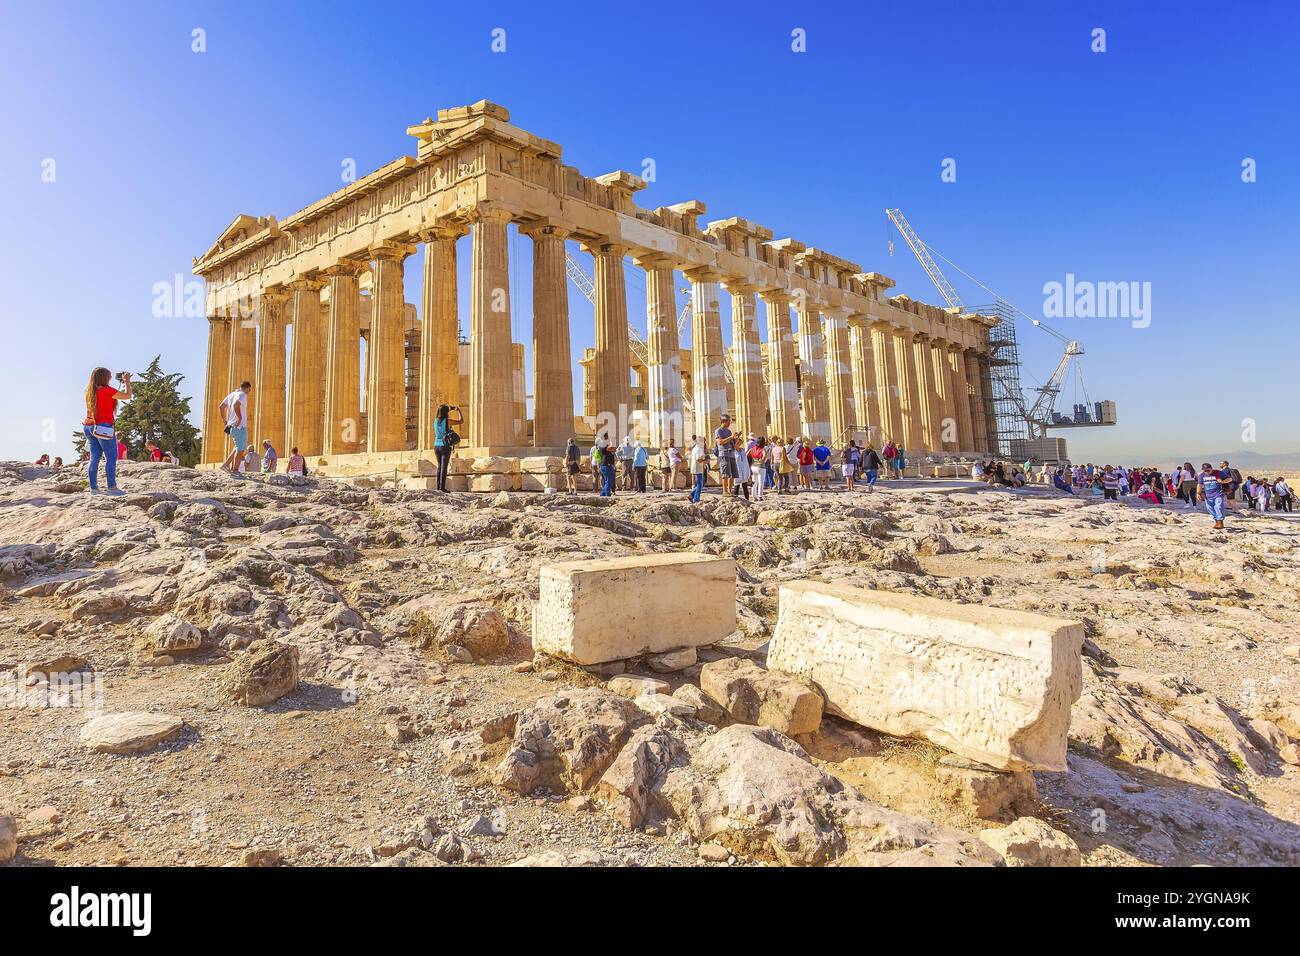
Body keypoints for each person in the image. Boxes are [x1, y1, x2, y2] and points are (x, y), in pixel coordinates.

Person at [83, 367, 132, 496]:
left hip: (88, 426)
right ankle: (112, 487)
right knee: (111, 457)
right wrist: (126, 381)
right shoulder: (107, 391)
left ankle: (93, 488)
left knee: (94, 458)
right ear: (104, 377)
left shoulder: (89, 391)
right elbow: (128, 396)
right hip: (103, 427)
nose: (110, 378)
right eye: (109, 376)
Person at [219, 381, 253, 472]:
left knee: (237, 447)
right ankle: (235, 470)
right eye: (249, 390)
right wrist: (239, 418)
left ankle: (225, 465)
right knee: (240, 449)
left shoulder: (231, 395)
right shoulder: (242, 395)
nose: (249, 392)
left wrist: (225, 420)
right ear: (248, 388)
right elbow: (236, 404)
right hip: (239, 426)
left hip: (231, 427)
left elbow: (221, 406)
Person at [433, 404, 463, 493]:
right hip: (445, 446)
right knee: (444, 467)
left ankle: (438, 487)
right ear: (446, 412)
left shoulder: (435, 421)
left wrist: (450, 408)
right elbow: (461, 421)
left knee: (439, 466)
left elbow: (442, 410)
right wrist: (458, 411)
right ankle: (442, 488)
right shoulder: (447, 421)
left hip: (436, 445)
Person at [714, 415, 738, 496]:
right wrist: (731, 437)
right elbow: (720, 442)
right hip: (724, 453)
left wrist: (735, 439)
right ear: (724, 421)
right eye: (729, 421)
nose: (730, 423)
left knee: (733, 474)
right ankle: (724, 491)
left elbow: (732, 444)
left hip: (731, 453)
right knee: (725, 473)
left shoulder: (729, 431)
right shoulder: (718, 431)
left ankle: (730, 491)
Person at [1197, 462, 1227, 529]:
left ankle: (1220, 522)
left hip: (1218, 494)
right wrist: (1198, 493)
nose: (1207, 472)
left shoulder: (1218, 473)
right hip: (1208, 495)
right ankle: (1217, 521)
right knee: (1210, 509)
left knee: (1218, 507)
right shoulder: (1201, 475)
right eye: (1205, 470)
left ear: (1211, 468)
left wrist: (1222, 482)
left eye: (1208, 470)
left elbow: (1229, 479)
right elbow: (1199, 484)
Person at [688, 436, 708, 503]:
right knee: (700, 484)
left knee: (700, 484)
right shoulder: (699, 449)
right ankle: (696, 499)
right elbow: (698, 459)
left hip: (695, 467)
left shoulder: (695, 448)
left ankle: (691, 495)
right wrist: (705, 460)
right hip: (698, 468)